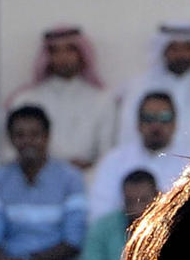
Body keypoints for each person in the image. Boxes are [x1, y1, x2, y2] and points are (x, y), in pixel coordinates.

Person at [0, 106, 87, 260]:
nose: (27, 141)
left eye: (34, 134)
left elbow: (73, 243)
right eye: (20, 135)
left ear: (47, 137)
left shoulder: (70, 178)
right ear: (10, 139)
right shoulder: (1, 180)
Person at [6, 26, 114, 170]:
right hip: (36, 177)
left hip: (89, 179)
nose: (63, 57)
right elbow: (9, 153)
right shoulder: (25, 99)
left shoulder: (103, 99)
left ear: (82, 54)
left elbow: (107, 155)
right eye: (55, 51)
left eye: (70, 50)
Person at [117, 22, 190, 156]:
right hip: (147, 166)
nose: (181, 55)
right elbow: (128, 134)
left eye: (187, 48)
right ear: (163, 50)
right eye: (174, 49)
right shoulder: (141, 86)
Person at [88, 92, 186, 222]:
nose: (156, 125)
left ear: (175, 123)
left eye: (164, 117)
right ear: (138, 123)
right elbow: (100, 214)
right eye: (149, 118)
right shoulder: (114, 160)